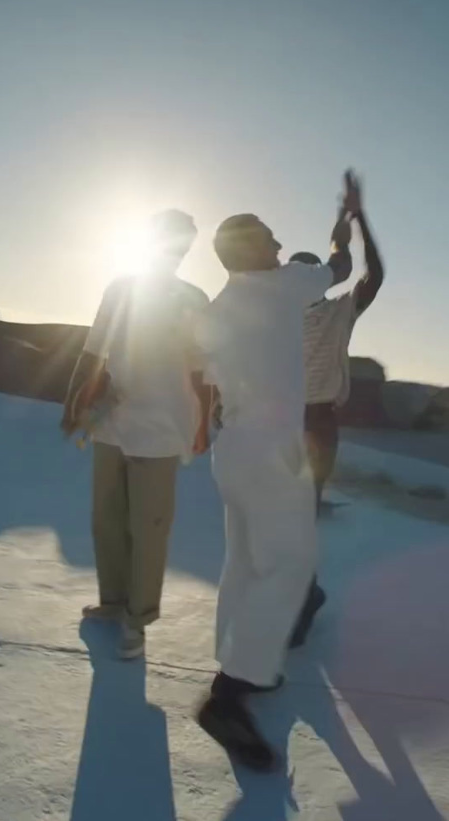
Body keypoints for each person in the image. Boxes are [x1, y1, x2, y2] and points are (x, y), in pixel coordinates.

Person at [192, 180, 355, 771]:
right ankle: (230, 694)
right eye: (270, 238)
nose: (283, 244)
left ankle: (243, 667)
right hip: (272, 450)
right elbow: (340, 265)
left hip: (231, 448)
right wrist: (346, 220)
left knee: (245, 561)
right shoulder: (286, 285)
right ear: (251, 253)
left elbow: (203, 375)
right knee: (287, 565)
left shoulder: (217, 309)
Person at [61, 209, 214, 661]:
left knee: (149, 526)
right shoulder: (121, 287)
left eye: (181, 243)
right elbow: (93, 348)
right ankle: (113, 602)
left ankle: (138, 618)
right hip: (113, 421)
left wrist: (204, 421)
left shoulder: (193, 298)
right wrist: (77, 401)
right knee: (105, 518)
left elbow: (202, 367)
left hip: (164, 426)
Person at [284, 174, 385, 648]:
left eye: (310, 274)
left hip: (317, 423)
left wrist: (355, 218)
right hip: (277, 422)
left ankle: (302, 601)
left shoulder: (337, 312)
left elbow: (370, 275)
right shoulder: (273, 317)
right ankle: (302, 593)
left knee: (301, 516)